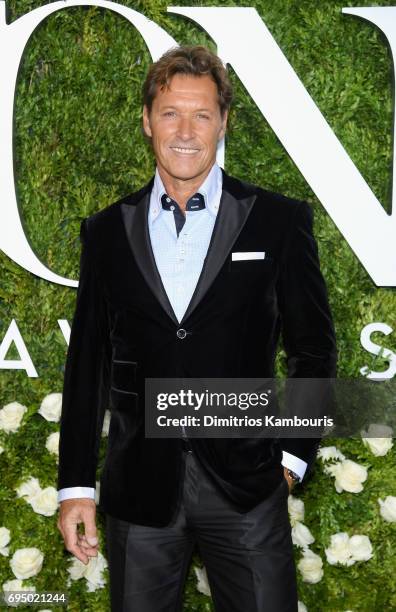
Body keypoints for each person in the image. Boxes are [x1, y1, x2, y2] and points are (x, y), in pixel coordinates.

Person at [57, 45, 337, 611]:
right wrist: (76, 487)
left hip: (248, 490)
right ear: (146, 121)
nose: (186, 130)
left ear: (223, 122)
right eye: (170, 113)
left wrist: (290, 460)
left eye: (202, 114)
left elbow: (314, 349)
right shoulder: (108, 231)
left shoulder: (278, 221)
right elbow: (87, 363)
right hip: (140, 492)